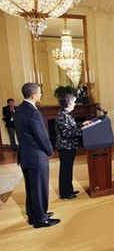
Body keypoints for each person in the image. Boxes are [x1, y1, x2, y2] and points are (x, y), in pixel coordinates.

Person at [14, 83, 60, 228]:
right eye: (40, 92)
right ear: (33, 95)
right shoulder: (33, 112)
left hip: (24, 155)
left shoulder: (18, 110)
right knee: (40, 188)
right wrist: (50, 150)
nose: (40, 95)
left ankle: (33, 215)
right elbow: (41, 135)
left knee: (31, 187)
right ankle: (41, 219)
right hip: (36, 156)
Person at [56, 94, 89, 199]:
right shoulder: (62, 115)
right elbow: (67, 133)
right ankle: (65, 193)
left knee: (68, 170)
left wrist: (83, 124)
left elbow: (73, 126)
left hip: (70, 147)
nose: (75, 104)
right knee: (65, 171)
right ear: (68, 103)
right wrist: (83, 131)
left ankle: (69, 190)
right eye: (74, 102)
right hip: (65, 147)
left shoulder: (67, 114)